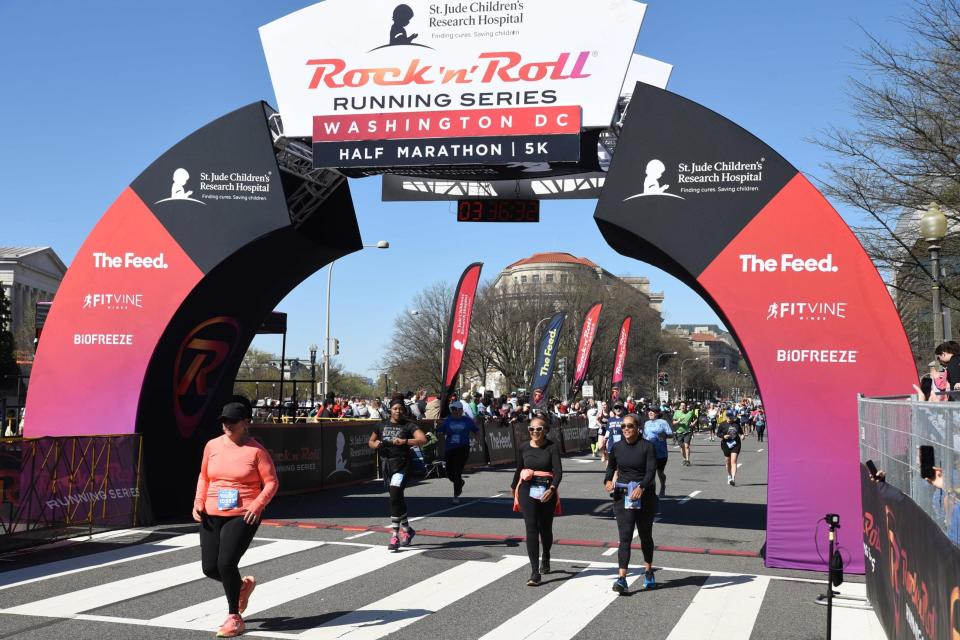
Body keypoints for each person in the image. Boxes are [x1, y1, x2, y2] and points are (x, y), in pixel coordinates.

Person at [193, 397, 279, 638]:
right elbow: (204, 476)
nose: (227, 425)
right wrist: (198, 501)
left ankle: (234, 617)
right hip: (211, 511)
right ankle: (241, 587)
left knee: (226, 563)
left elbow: (271, 482)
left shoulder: (256, 450)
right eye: (224, 421)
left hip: (244, 513)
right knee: (210, 567)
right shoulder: (212, 446)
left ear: (246, 422)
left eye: (232, 421)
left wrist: (258, 505)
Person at [604, 413, 658, 593]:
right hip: (622, 496)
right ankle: (622, 579)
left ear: (638, 428)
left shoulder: (647, 446)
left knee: (645, 536)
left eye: (630, 426)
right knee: (625, 537)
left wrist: (642, 487)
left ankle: (648, 571)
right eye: (624, 427)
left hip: (645, 496)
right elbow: (611, 466)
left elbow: (651, 471)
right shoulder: (617, 447)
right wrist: (608, 481)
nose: (626, 429)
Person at [369, 399, 428, 551]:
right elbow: (371, 441)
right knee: (397, 499)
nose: (398, 411)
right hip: (387, 465)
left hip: (402, 464)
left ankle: (395, 535)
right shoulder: (381, 424)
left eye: (400, 409)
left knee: (394, 496)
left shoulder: (409, 425)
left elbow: (423, 439)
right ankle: (408, 530)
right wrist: (375, 445)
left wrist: (404, 441)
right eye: (395, 408)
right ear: (390, 410)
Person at [511, 414, 562, 586]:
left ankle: (546, 556)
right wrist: (513, 488)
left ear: (546, 430)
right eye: (531, 429)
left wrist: (552, 489)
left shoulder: (552, 447)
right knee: (531, 527)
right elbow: (519, 469)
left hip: (547, 489)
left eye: (539, 429)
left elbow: (558, 472)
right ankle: (534, 572)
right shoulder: (523, 447)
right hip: (526, 488)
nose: (535, 432)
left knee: (545, 528)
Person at [437, 400, 479, 504]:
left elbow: (476, 431)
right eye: (452, 409)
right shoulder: (448, 421)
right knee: (449, 472)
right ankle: (460, 482)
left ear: (461, 410)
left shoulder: (467, 421)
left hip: (462, 448)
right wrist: (437, 432)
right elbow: (440, 431)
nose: (454, 411)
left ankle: (456, 495)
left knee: (457, 471)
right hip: (450, 449)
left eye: (456, 409)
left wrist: (477, 440)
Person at [642, 407, 673, 497]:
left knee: (660, 472)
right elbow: (644, 436)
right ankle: (652, 493)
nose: (650, 413)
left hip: (661, 452)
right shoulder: (646, 423)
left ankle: (663, 486)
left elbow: (670, 433)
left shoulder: (663, 422)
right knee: (651, 472)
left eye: (653, 411)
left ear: (657, 413)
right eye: (649, 411)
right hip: (649, 452)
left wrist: (663, 435)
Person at [673, 402, 695, 466]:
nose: (683, 407)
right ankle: (685, 459)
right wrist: (678, 421)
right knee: (682, 447)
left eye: (684, 406)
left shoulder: (690, 413)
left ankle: (688, 460)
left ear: (686, 407)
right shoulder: (676, 413)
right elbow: (673, 422)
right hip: (679, 432)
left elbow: (696, 418)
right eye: (682, 406)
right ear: (679, 407)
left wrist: (693, 423)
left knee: (686, 446)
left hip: (688, 431)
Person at [722, 416, 743, 485]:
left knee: (733, 461)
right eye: (729, 417)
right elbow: (718, 433)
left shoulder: (736, 424)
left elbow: (741, 432)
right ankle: (729, 475)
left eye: (731, 417)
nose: (730, 418)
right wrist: (723, 436)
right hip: (726, 444)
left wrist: (742, 435)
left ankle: (733, 479)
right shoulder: (722, 424)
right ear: (726, 417)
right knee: (727, 462)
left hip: (736, 444)